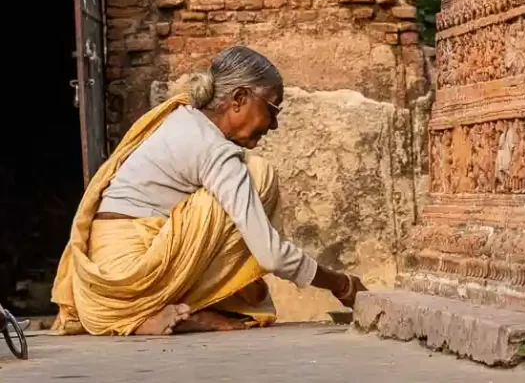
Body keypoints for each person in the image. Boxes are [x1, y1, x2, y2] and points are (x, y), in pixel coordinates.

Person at [51, 46, 366, 336]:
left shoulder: (181, 118)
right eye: (272, 109)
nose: (274, 125)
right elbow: (271, 256)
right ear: (239, 99)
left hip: (101, 282)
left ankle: (159, 309)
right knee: (259, 174)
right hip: (132, 277)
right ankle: (162, 307)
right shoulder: (215, 151)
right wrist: (341, 284)